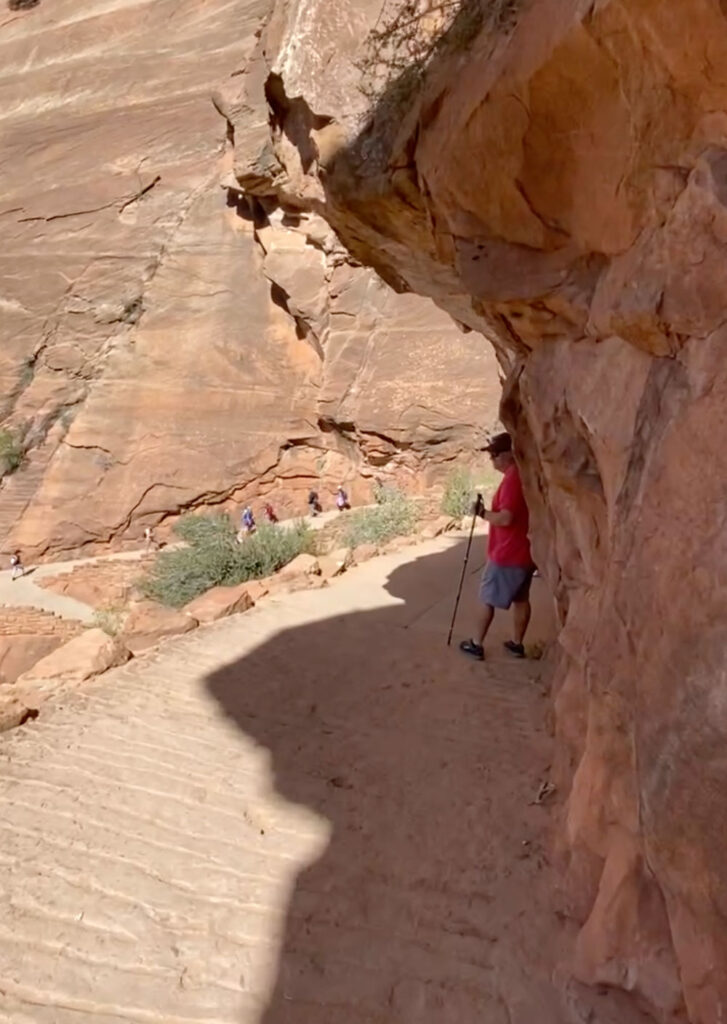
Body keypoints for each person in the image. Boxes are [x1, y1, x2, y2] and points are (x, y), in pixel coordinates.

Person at [459, 431, 535, 661]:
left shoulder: (513, 479)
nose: (492, 460)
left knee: (487, 598)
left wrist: (482, 513)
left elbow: (506, 518)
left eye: (495, 455)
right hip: (524, 552)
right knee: (521, 598)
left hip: (507, 553)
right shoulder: (520, 475)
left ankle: (476, 644)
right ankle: (516, 643)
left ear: (508, 454)